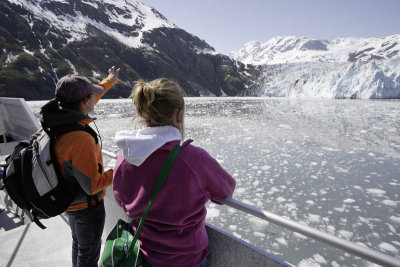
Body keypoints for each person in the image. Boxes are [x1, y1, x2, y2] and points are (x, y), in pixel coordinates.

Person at [113, 78, 236, 267]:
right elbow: (225, 190)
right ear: (179, 115)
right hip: (187, 259)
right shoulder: (193, 159)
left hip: (143, 254)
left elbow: (121, 199)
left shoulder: (125, 157)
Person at [40, 66, 120, 267]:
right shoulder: (80, 139)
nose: (95, 98)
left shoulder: (59, 116)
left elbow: (90, 98)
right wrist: (120, 169)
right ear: (85, 101)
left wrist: (109, 80)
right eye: (92, 95)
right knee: (88, 254)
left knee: (79, 245)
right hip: (86, 208)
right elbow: (93, 186)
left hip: (69, 203)